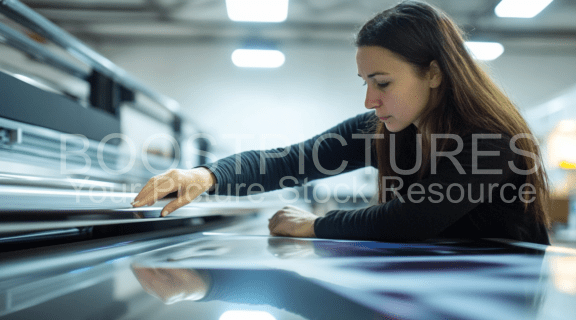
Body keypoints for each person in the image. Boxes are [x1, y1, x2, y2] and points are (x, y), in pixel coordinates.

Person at [132, 0, 550, 245]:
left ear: (435, 73)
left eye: (382, 82)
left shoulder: (492, 139)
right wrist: (207, 175)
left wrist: (315, 225)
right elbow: (290, 161)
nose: (370, 100)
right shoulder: (388, 129)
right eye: (366, 82)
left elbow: (414, 219)